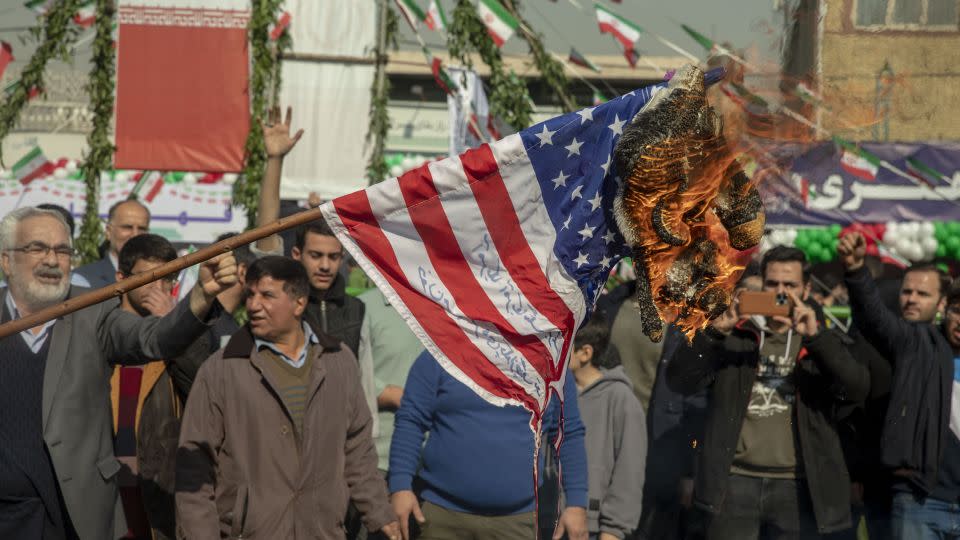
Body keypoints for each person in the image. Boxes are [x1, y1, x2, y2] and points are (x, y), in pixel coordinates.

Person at [0, 206, 237, 540]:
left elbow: (154, 338)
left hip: (76, 516)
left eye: (63, 250)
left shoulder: (92, 312)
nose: (52, 260)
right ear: (6, 260)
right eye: (37, 248)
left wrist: (199, 298)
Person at [175, 256, 399, 540]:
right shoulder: (222, 369)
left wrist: (379, 512)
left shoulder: (338, 361)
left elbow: (358, 450)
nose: (254, 305)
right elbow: (194, 467)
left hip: (322, 531)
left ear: (299, 303)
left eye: (268, 295)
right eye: (251, 294)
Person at [667, 246, 870, 539]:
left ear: (807, 288)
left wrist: (817, 339)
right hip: (734, 480)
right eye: (773, 283)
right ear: (762, 283)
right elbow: (679, 381)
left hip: (798, 484)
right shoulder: (735, 334)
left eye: (790, 285)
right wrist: (714, 332)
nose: (781, 292)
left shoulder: (821, 338)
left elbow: (857, 388)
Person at [109, 233, 240, 539]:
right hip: (107, 489)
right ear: (121, 279)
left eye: (167, 279)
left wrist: (173, 326)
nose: (159, 288)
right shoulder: (100, 334)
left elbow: (206, 390)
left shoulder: (188, 336)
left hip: (159, 488)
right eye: (148, 278)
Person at [389, 350, 589, 540]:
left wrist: (576, 503)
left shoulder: (550, 363)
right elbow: (410, 420)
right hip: (441, 516)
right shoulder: (441, 351)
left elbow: (568, 434)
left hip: (518, 522)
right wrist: (400, 486)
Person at [838, 232, 957, 540]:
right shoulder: (917, 343)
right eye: (907, 292)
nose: (911, 299)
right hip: (924, 500)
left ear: (941, 303)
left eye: (922, 294)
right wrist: (856, 271)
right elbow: (874, 317)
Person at [569, 315, 646, 540]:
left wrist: (613, 529)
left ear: (585, 353)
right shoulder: (558, 393)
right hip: (551, 520)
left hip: (593, 529)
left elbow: (629, 470)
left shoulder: (622, 399)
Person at [356, 287, 424, 477]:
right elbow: (346, 371)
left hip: (433, 459)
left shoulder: (443, 307)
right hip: (380, 458)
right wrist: (385, 393)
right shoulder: (363, 307)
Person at [75, 198, 151, 288]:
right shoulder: (83, 278)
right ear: (108, 232)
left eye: (142, 229)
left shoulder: (156, 278)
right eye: (127, 227)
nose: (135, 235)